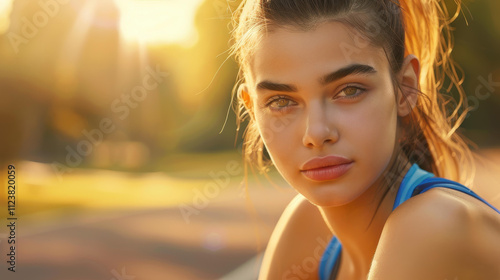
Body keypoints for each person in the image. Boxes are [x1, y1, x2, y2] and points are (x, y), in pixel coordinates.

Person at [229, 0, 500, 279]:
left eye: (349, 91)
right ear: (252, 108)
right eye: (281, 101)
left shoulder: (432, 223)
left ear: (406, 87)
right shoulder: (308, 226)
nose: (317, 133)